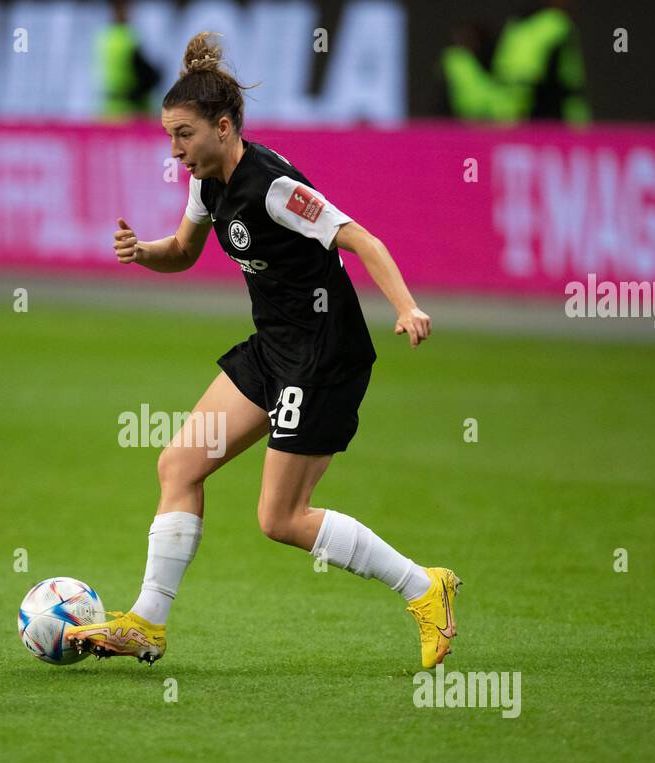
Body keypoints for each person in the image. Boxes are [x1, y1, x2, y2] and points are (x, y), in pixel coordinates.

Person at [62, 33, 461, 671]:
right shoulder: (208, 184)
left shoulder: (272, 185)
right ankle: (148, 623)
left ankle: (425, 587)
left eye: (185, 135)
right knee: (178, 465)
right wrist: (145, 253)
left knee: (281, 518)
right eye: (170, 136)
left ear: (223, 127)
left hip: (323, 356)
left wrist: (407, 306)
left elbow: (359, 238)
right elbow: (185, 253)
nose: (175, 151)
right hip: (273, 349)